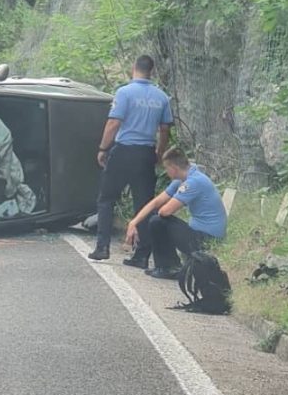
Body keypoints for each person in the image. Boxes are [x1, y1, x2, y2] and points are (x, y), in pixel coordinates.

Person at [88, 55, 173, 262]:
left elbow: (113, 123)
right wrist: (159, 155)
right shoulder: (161, 97)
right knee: (143, 203)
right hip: (146, 153)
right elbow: (164, 130)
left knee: (107, 199)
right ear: (151, 71)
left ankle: (102, 247)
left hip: (124, 151)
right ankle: (142, 255)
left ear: (134, 68)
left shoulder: (124, 92)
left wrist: (103, 148)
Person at [124, 147, 227, 279]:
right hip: (198, 233)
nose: (166, 172)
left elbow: (165, 211)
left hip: (207, 239)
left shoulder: (193, 182)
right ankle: (167, 265)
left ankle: (168, 267)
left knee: (158, 220)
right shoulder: (185, 177)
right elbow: (156, 202)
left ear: (173, 168)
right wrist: (134, 222)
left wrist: (158, 211)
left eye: (166, 168)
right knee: (155, 215)